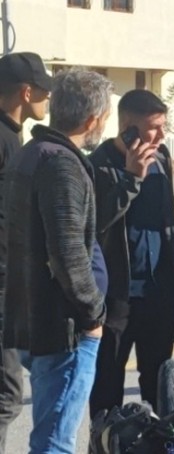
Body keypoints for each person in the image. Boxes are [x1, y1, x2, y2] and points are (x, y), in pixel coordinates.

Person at [4, 68, 112, 453]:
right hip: (63, 326)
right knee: (55, 441)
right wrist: (93, 314)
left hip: (35, 318)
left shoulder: (31, 153)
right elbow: (67, 254)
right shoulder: (60, 163)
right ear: (93, 119)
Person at [87, 90, 174, 417]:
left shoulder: (162, 158)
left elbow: (168, 219)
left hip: (160, 293)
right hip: (117, 298)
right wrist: (131, 178)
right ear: (128, 127)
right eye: (153, 127)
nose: (161, 134)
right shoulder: (97, 166)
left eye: (163, 126)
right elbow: (95, 224)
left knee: (160, 386)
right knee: (107, 388)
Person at [0, 51, 52, 454]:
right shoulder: (4, 139)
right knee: (5, 396)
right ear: (26, 91)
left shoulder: (13, 135)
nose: (48, 100)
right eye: (45, 91)